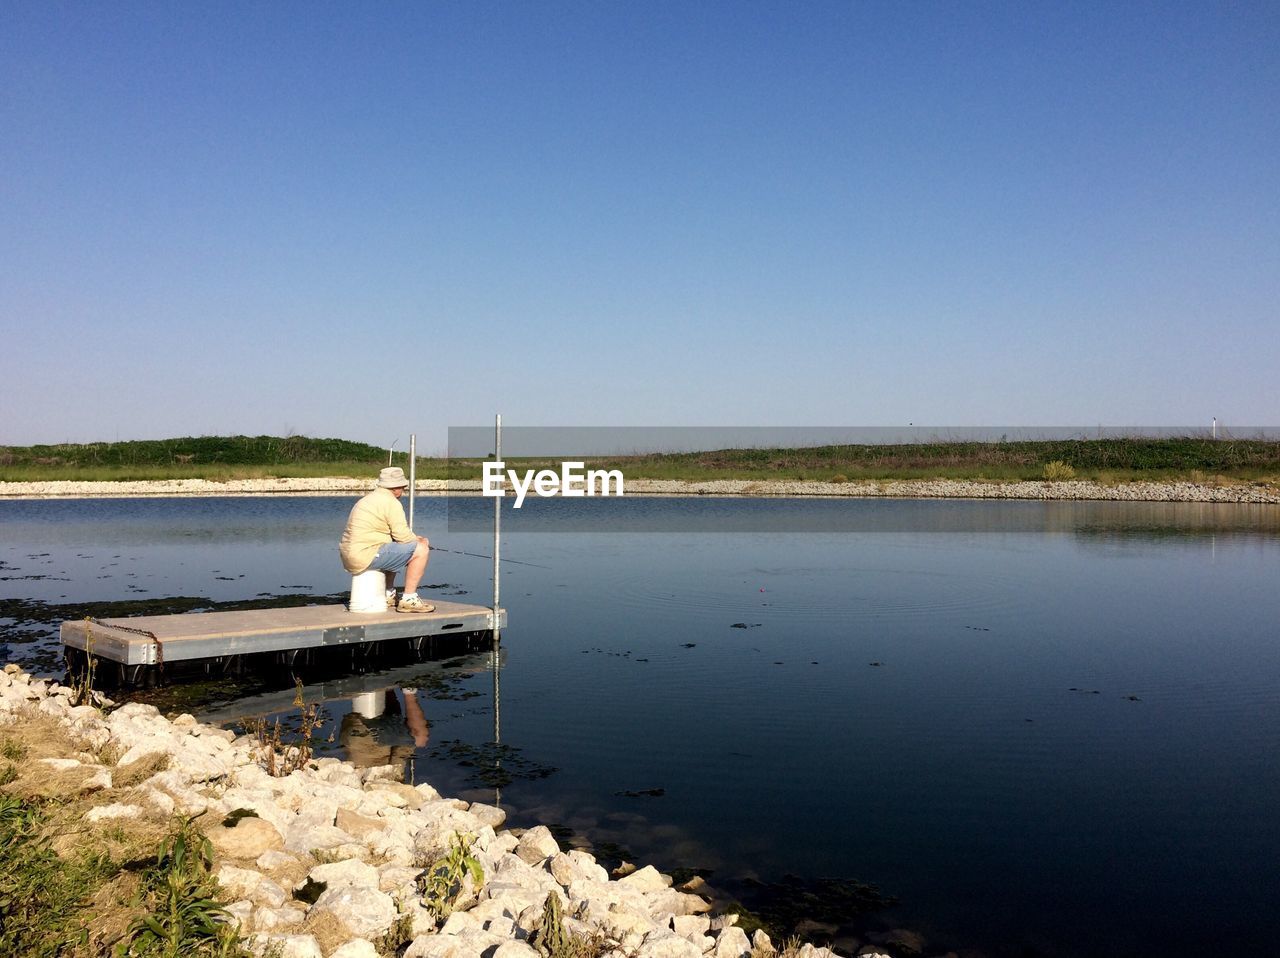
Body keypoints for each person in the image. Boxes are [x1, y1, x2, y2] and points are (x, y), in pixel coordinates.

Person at [339, 466, 434, 613]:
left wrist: (414, 539)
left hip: (351, 554)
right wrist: (421, 541)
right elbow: (403, 536)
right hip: (365, 555)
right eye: (402, 487)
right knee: (421, 550)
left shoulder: (368, 499)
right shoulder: (391, 502)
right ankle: (409, 598)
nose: (403, 490)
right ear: (395, 487)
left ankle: (388, 594)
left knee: (393, 545)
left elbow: (398, 537)